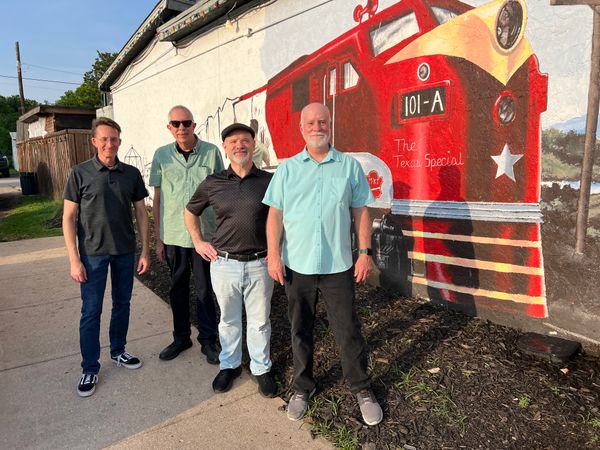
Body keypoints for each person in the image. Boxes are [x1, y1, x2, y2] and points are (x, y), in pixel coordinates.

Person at [262, 103, 383, 425]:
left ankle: (361, 388)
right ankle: (303, 388)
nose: (317, 127)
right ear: (301, 128)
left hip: (337, 266)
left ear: (330, 125)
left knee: (348, 331)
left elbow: (361, 211)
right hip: (297, 266)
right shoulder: (287, 169)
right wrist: (273, 254)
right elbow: (275, 214)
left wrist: (364, 252)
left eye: (323, 122)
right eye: (311, 123)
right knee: (300, 329)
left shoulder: (348, 167)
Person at [184, 123, 276, 397]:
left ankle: (261, 368)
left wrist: (277, 251)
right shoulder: (213, 183)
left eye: (245, 140)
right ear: (225, 148)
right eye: (233, 142)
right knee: (228, 320)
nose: (239, 145)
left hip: (260, 263)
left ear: (253, 144)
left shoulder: (269, 181)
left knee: (260, 321)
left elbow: (281, 217)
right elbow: (190, 211)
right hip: (224, 264)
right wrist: (198, 242)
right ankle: (230, 365)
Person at [63, 117, 150, 397]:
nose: (109, 144)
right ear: (94, 141)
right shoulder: (79, 172)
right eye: (104, 139)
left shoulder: (131, 174)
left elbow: (141, 212)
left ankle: (118, 351)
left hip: (124, 251)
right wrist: (74, 259)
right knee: (91, 311)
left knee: (122, 304)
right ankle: (90, 367)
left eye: (114, 139)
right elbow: (68, 217)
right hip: (92, 255)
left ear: (120, 142)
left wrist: (145, 250)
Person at [149, 105, 224, 364]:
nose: (181, 127)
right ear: (169, 127)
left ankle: (208, 339)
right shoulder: (161, 156)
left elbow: (219, 193)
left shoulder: (212, 153)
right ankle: (181, 337)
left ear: (194, 125)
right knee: (177, 289)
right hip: (174, 236)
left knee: (204, 290)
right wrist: (159, 238)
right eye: (176, 123)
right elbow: (158, 199)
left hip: (204, 236)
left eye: (186, 122)